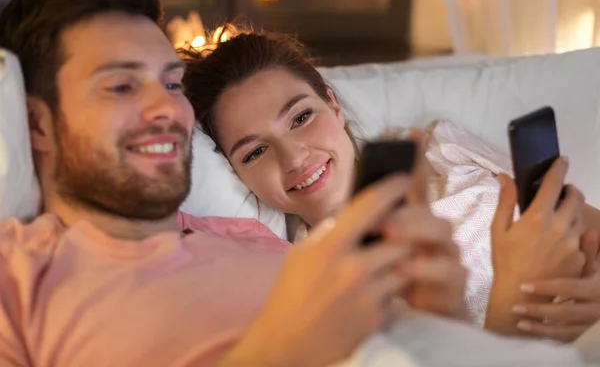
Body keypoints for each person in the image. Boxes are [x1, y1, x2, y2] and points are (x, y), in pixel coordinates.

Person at [0, 0, 473, 366]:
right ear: (37, 123)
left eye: (170, 85)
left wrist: (455, 317)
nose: (165, 110)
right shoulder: (20, 280)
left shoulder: (255, 241)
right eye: (121, 86)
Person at [182, 31, 600, 341]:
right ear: (236, 173)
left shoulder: (440, 146)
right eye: (255, 152)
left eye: (301, 118)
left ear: (333, 104)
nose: (293, 158)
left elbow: (584, 219)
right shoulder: (310, 279)